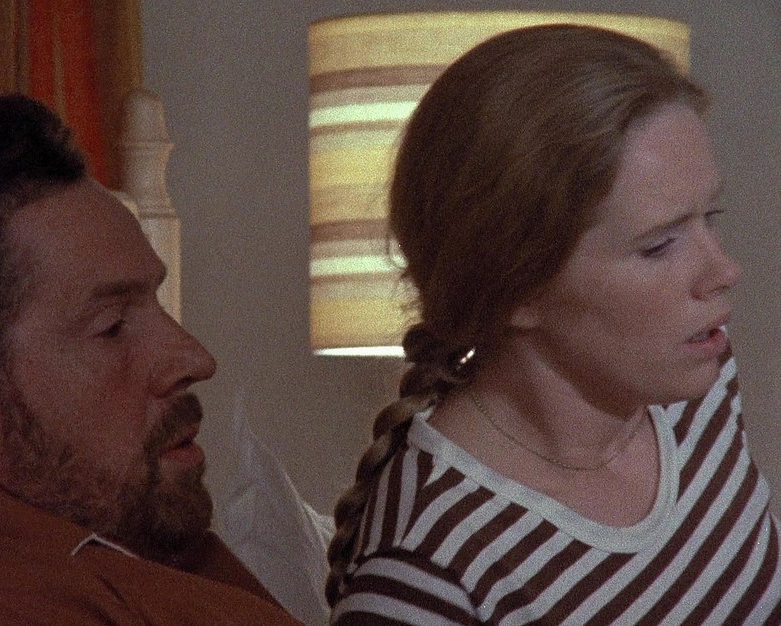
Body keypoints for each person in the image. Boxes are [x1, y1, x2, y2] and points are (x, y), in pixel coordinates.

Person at [326, 24, 781, 624]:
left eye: (709, 217)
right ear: (516, 290)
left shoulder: (695, 383)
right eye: (659, 246)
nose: (724, 270)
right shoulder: (426, 567)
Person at [0, 95, 302, 624]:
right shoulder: (4, 605)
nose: (196, 358)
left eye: (156, 303)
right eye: (111, 327)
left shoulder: (129, 536)